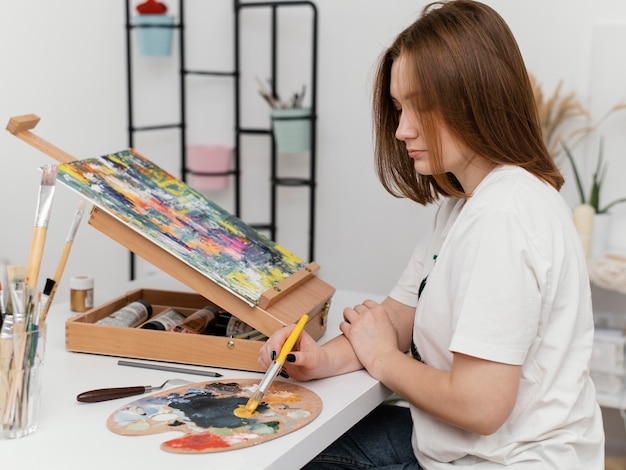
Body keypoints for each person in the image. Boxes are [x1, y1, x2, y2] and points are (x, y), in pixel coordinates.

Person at [258, 1, 605, 468]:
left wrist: (382, 360)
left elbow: (481, 405)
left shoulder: (504, 217)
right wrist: (322, 360)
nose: (401, 129)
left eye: (419, 106)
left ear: (475, 97)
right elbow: (399, 316)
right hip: (457, 447)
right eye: (399, 108)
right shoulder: (465, 205)